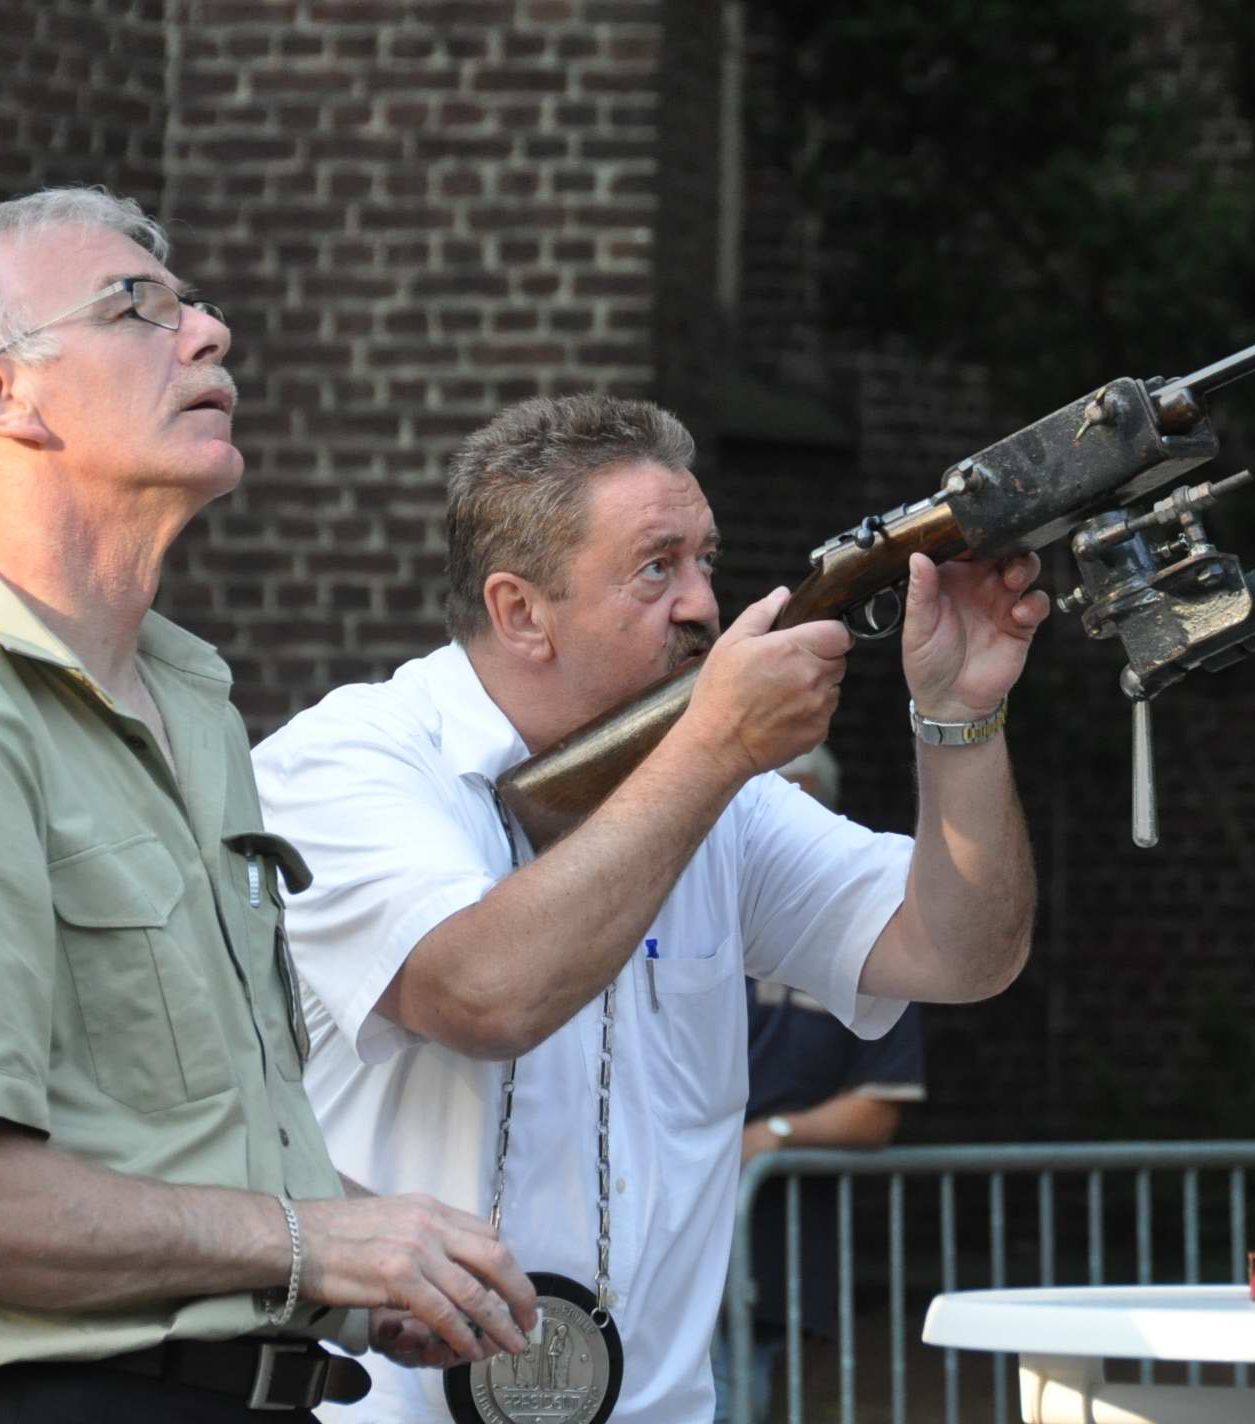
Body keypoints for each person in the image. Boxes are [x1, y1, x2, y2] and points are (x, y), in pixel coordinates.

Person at [0, 187, 536, 1424]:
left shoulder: (192, 705)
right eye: (135, 308)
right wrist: (311, 1240)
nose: (208, 331)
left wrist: (367, 1255)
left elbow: (165, 1151)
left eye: (192, 304)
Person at [253, 392, 1046, 1422]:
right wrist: (715, 748)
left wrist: (960, 716)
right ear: (519, 611)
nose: (703, 605)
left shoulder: (720, 789)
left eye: (705, 560)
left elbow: (959, 953)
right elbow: (483, 993)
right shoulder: (348, 761)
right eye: (655, 568)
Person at [711, 744, 926, 1424]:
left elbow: (878, 1108)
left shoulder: (869, 933)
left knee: (735, 1392)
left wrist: (771, 1136)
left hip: (770, 1242)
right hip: (655, 1226)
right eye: (758, 797)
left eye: (795, 798)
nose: (780, 817)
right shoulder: (686, 908)